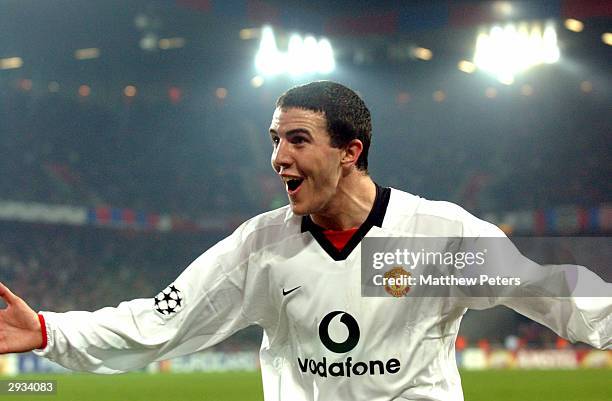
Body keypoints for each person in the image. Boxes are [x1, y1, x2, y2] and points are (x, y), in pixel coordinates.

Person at [0, 81, 610, 400]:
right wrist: (50, 332)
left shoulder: (434, 237)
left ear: (350, 152)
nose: (277, 158)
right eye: (273, 140)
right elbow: (158, 322)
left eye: (296, 140)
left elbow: (555, 294)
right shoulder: (262, 247)